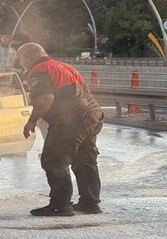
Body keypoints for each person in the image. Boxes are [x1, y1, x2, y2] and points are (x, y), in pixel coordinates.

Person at [17, 43, 104, 216]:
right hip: (93, 116)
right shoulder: (64, 66)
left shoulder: (39, 70)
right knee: (85, 160)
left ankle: (60, 205)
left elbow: (45, 98)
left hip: (70, 120)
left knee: (54, 160)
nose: (21, 64)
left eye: (20, 60)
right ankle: (90, 203)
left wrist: (31, 121)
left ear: (27, 57)